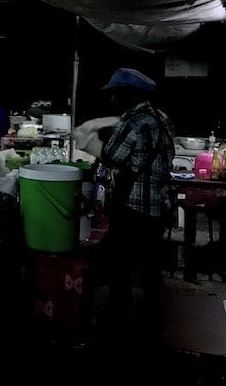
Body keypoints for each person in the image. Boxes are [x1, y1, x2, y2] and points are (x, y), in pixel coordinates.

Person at [98, 67, 175, 346]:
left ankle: (121, 325)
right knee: (151, 266)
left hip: (134, 207)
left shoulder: (133, 121)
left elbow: (111, 156)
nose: (112, 100)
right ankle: (154, 321)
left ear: (127, 94)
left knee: (120, 267)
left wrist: (107, 138)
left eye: (115, 94)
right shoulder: (162, 118)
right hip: (160, 206)